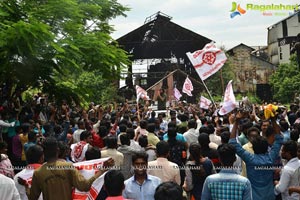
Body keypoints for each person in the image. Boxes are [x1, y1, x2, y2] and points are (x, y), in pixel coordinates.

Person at [27, 137, 113, 200]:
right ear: (57, 151)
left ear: (43, 153)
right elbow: (85, 186)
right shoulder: (68, 167)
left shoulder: (38, 173)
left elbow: (33, 198)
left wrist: (27, 188)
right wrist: (102, 170)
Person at [229, 111, 283, 200]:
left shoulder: (250, 158)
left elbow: (232, 142)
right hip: (269, 195)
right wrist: (273, 120)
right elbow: (279, 139)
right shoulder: (271, 157)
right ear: (267, 147)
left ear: (253, 148)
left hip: (253, 196)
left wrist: (236, 121)